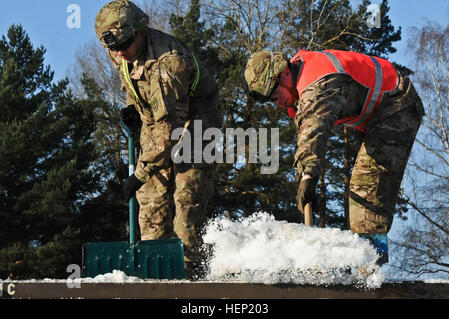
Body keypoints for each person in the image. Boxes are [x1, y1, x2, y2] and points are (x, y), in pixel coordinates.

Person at [242, 49, 424, 264]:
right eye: (271, 101)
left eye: (275, 96)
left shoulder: (317, 82)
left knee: (368, 186)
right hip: (374, 112)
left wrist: (309, 177)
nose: (277, 103)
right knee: (361, 183)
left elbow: (314, 130)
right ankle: (365, 261)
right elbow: (306, 136)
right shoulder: (300, 87)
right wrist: (304, 175)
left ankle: (369, 268)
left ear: (284, 75)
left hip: (396, 106)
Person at [95, 0, 222, 277]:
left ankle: (190, 273)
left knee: (187, 198)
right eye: (113, 48)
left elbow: (170, 132)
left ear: (140, 32)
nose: (119, 53)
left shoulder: (168, 63)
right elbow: (131, 81)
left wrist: (138, 173)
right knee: (151, 197)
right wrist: (132, 107)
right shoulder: (119, 49)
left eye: (123, 45)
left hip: (197, 123)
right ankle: (153, 272)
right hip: (157, 117)